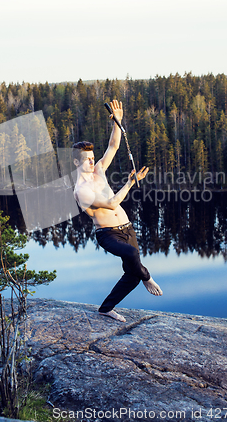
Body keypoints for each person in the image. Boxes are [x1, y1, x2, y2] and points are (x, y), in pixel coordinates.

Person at [72, 99, 162, 323]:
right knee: (132, 257)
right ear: (75, 162)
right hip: (108, 234)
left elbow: (113, 146)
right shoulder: (81, 191)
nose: (92, 162)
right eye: (86, 160)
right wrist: (131, 182)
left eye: (93, 158)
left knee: (131, 275)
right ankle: (148, 277)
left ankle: (106, 308)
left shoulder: (99, 170)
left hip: (127, 228)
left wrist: (117, 123)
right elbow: (112, 203)